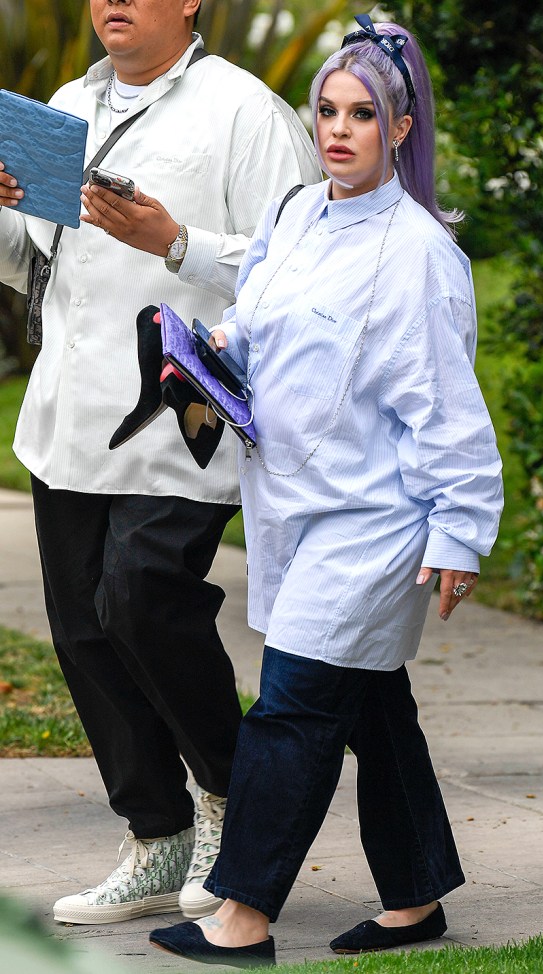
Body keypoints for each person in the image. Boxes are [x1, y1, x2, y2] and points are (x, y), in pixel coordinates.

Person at [148, 13, 504, 968]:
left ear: (401, 127)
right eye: (328, 111)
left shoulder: (421, 259)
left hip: (375, 524)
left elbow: (449, 415)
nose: (338, 129)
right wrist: (209, 360)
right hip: (293, 509)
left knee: (294, 708)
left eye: (363, 114)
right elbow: (256, 322)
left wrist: (457, 535)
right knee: (373, 709)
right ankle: (417, 896)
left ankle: (243, 915)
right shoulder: (295, 214)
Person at [0, 0, 319, 926]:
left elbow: (296, 265)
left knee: (141, 595)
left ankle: (229, 799)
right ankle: (156, 835)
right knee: (83, 632)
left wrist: (173, 241)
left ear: (191, 3)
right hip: (69, 417)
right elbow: (35, 263)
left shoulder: (244, 112)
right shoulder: (67, 102)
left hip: (183, 418)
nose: (113, 2)